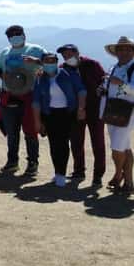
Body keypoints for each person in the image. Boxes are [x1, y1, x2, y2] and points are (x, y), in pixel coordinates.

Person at [0, 25, 45, 176]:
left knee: (30, 131)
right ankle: (12, 162)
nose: (16, 36)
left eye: (18, 33)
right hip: (9, 94)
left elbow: (51, 64)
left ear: (24, 34)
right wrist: (0, 78)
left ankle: (33, 162)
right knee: (12, 132)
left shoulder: (36, 49)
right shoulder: (5, 52)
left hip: (29, 94)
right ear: (8, 38)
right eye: (12, 35)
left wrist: (37, 61)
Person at [99, 36, 134, 195]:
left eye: (128, 49)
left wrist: (120, 83)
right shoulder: (113, 68)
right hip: (113, 111)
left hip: (129, 111)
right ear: (116, 52)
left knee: (117, 147)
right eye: (121, 49)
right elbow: (109, 87)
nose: (124, 51)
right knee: (124, 146)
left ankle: (118, 174)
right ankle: (129, 183)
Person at [32, 52, 86, 187]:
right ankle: (57, 172)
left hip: (67, 113)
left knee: (63, 144)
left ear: (57, 62)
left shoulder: (67, 74)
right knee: (53, 144)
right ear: (43, 62)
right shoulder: (40, 78)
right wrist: (37, 121)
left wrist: (81, 108)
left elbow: (81, 91)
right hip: (49, 114)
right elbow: (36, 101)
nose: (50, 63)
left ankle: (61, 173)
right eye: (47, 61)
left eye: (52, 61)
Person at [58, 44, 107, 187]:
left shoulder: (92, 64)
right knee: (76, 142)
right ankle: (79, 170)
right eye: (64, 55)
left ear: (77, 53)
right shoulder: (63, 68)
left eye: (69, 54)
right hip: (75, 111)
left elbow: (104, 81)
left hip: (95, 109)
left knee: (97, 142)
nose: (67, 58)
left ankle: (98, 175)